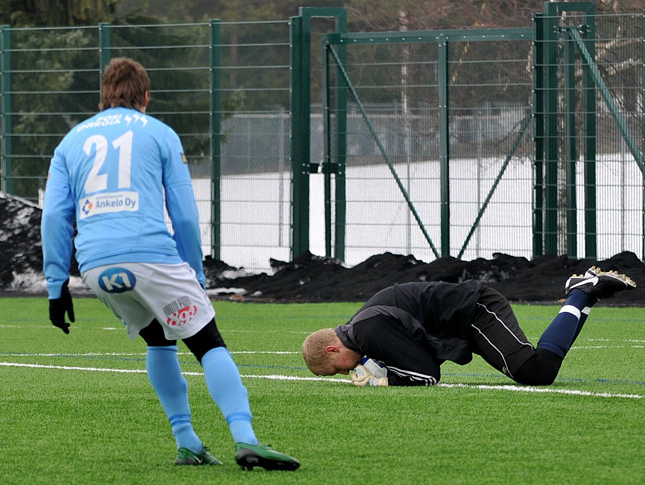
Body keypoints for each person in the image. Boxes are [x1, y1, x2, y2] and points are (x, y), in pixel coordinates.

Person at [41, 57, 299, 471]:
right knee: (207, 341)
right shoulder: (159, 133)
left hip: (95, 266)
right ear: (145, 96)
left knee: (158, 339)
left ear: (104, 95)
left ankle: (187, 442)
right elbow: (182, 214)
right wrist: (194, 272)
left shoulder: (71, 141)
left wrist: (56, 286)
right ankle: (246, 439)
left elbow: (55, 216)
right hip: (151, 256)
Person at [302, 267, 635, 387]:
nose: (346, 374)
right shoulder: (361, 329)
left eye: (336, 370)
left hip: (476, 310)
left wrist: (383, 381)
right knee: (536, 371)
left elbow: (427, 374)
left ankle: (579, 292)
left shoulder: (367, 332)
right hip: (464, 321)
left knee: (536, 372)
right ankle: (587, 294)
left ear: (333, 349)